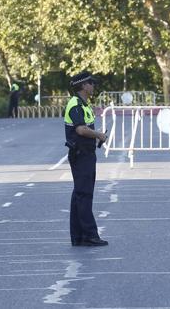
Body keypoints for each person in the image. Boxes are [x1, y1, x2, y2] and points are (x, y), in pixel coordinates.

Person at [64, 71, 108, 246]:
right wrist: (99, 135)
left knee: (79, 195)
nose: (93, 85)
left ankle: (78, 236)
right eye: (91, 83)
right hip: (81, 154)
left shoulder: (83, 104)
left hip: (86, 154)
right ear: (83, 85)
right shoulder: (75, 104)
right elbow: (81, 130)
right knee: (84, 195)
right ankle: (89, 235)